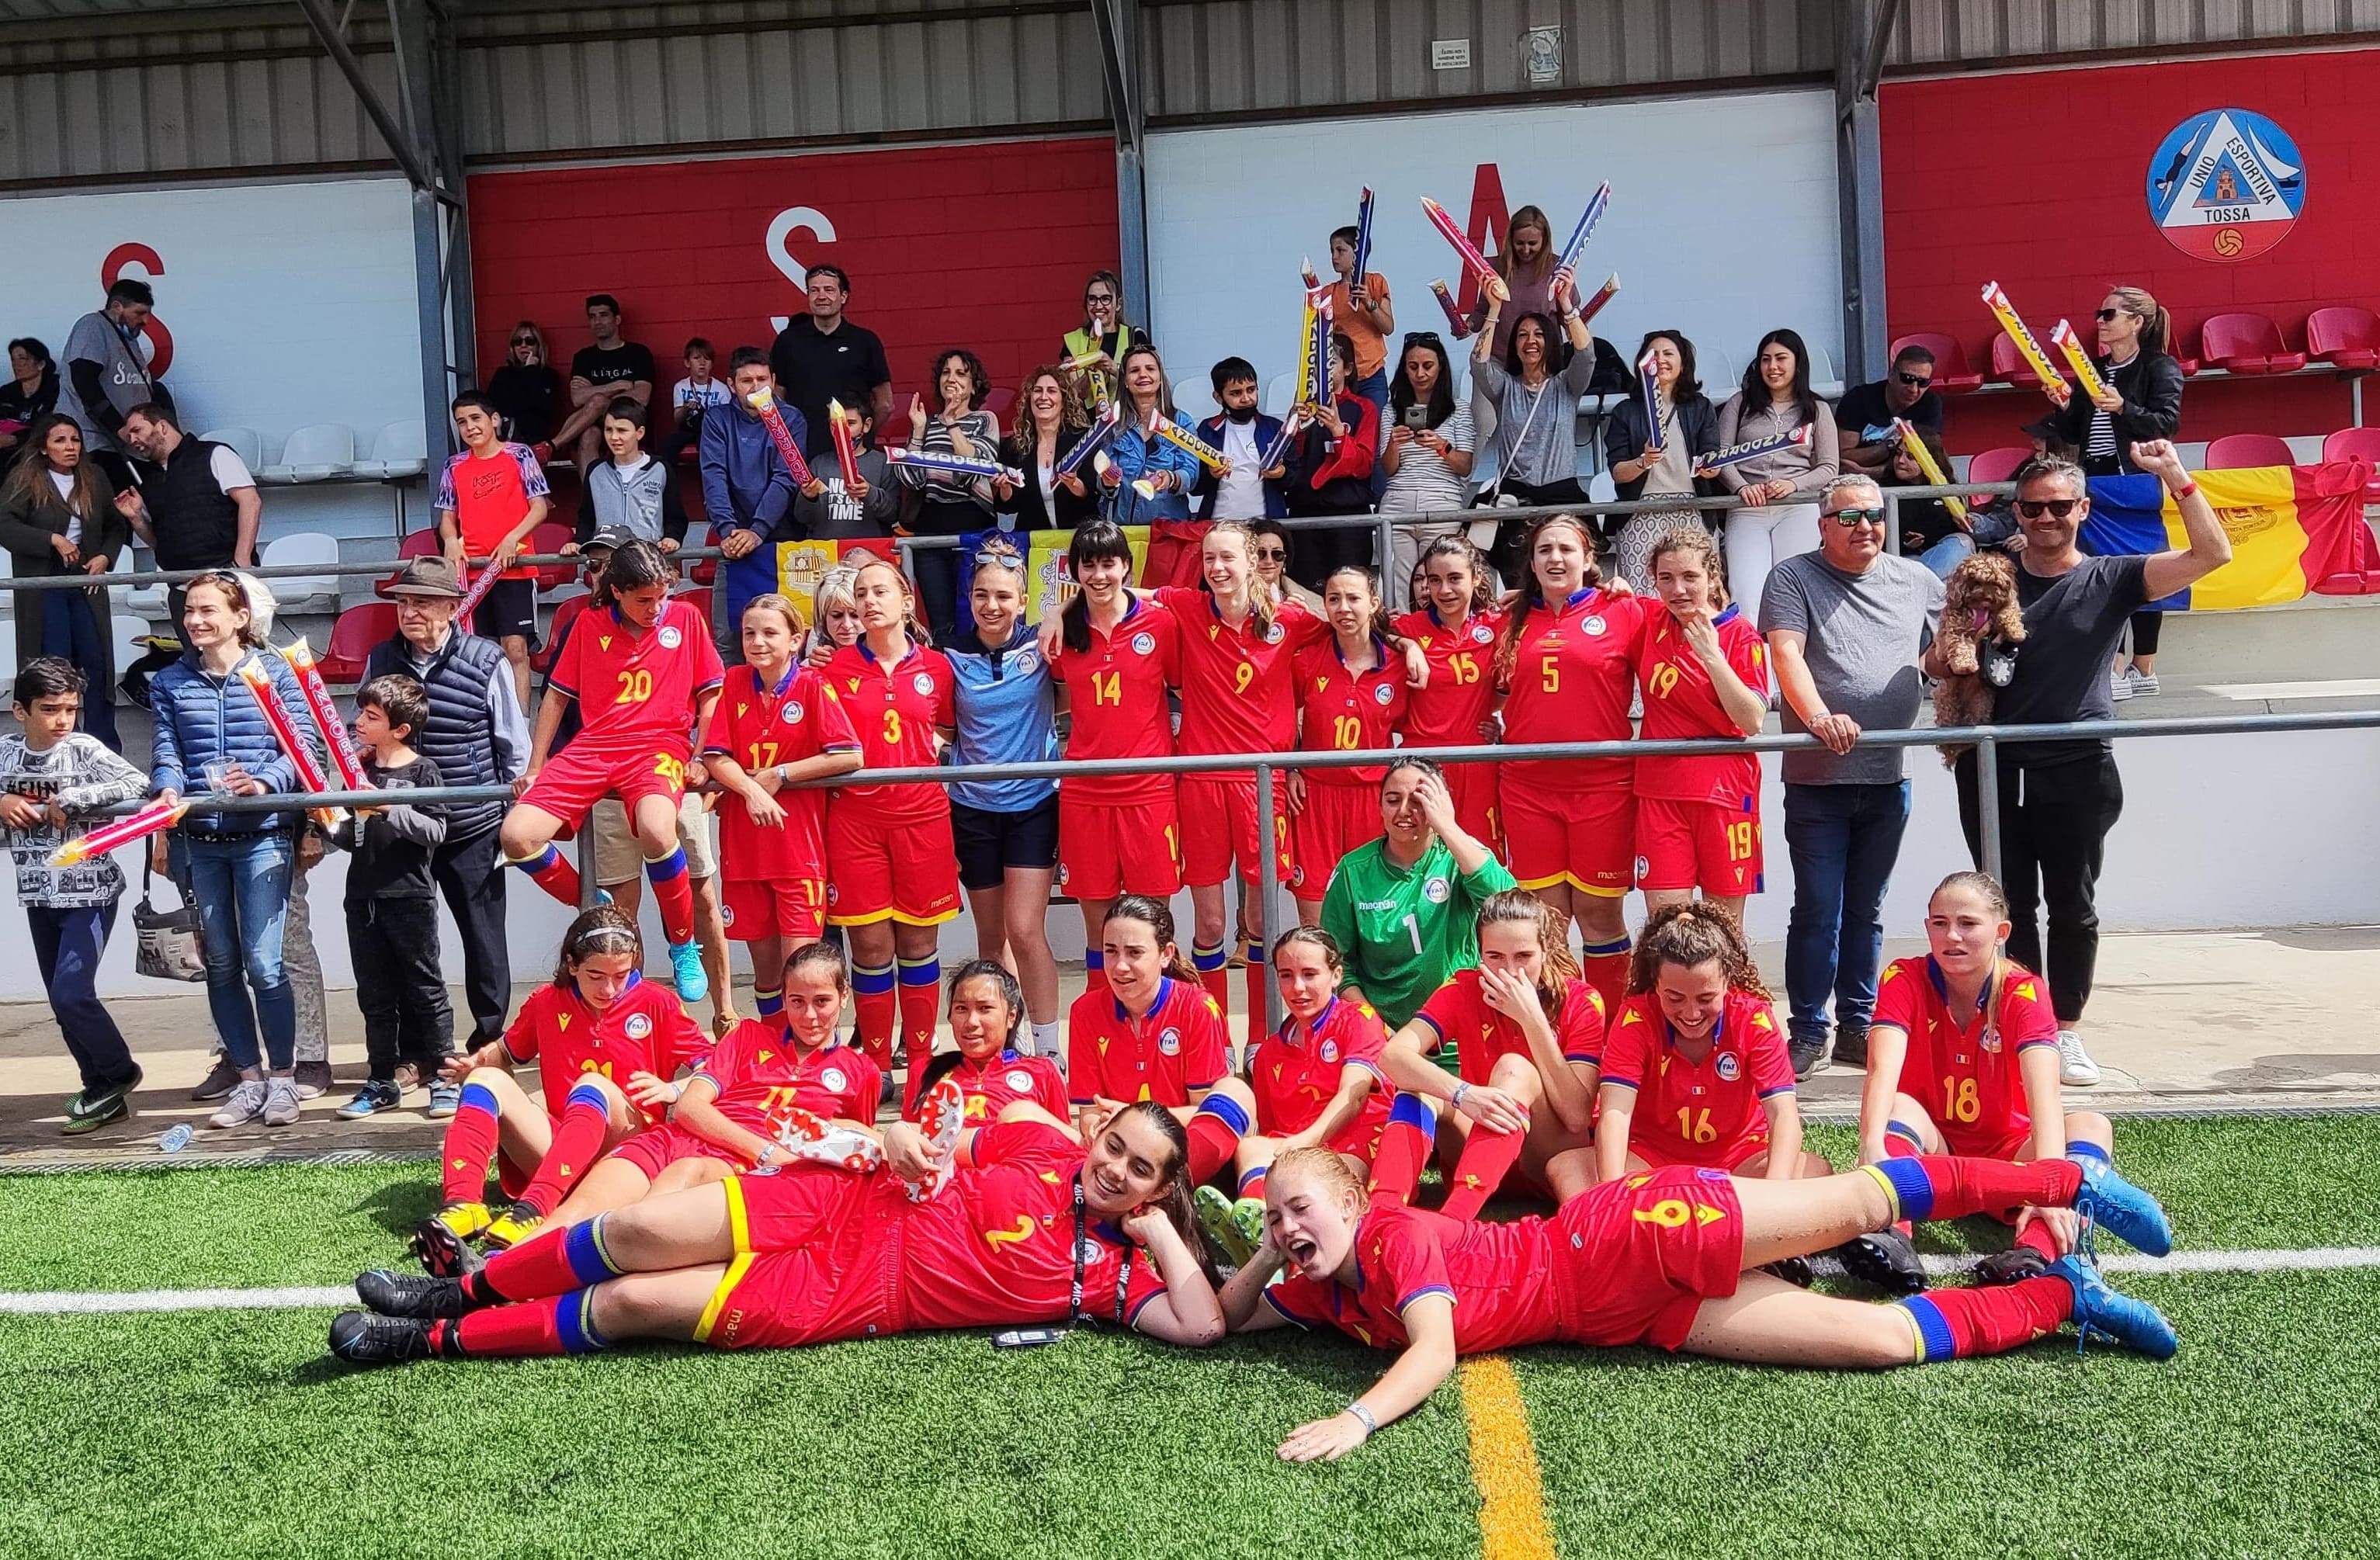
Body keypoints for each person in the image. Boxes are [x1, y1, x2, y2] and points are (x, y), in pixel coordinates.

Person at [1221, 1137, 2177, 1460]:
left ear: (1354, 1201)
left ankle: (2072, 1182)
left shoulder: (1390, 1235)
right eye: (1276, 1216)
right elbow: (1221, 1319)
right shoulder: (1322, 1287)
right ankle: (2063, 1298)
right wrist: (1269, 1253)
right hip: (1624, 1316)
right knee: (1883, 1343)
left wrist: (1355, 1419)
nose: (1290, 1226)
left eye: (1302, 1209)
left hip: (1629, 1233)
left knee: (1856, 1202)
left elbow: (1432, 1349)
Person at [332, 1098, 1226, 1364]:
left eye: (1140, 1170)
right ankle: (458, 1291)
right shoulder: (1040, 1142)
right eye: (1116, 1147)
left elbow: (1202, 1326)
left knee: (633, 1300)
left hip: (847, 1293)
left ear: (1158, 1189)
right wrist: (901, 1138)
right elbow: (927, 1140)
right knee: (635, 1227)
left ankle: (429, 1341)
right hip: (840, 1201)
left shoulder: (1109, 1279)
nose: (1116, 1169)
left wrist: (1156, 1234)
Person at [1924, 445, 2228, 1089]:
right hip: (1992, 764)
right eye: (2033, 508)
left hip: (2078, 763)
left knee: (2072, 904)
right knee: (2005, 905)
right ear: (2017, 512)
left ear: (2083, 509)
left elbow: (2213, 555)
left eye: (2060, 506)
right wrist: (1962, 645)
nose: (2046, 518)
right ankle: (2018, 1023)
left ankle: (2062, 1029)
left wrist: (2175, 477)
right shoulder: (1989, 574)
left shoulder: (2112, 576)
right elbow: (1933, 662)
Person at [1853, 872, 2123, 1292]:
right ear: (1927, 928)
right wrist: (1872, 1148)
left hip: (2010, 1163)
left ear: (2001, 932)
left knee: (2092, 1126)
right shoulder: (1903, 977)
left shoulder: (2024, 991)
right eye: (1940, 923)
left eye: (1968, 923)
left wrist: (2049, 1185)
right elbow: (1881, 1069)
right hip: (1934, 1158)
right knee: (1897, 1106)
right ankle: (1893, 1236)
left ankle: (2032, 1251)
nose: (1952, 936)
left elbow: (2045, 1095)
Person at [1760, 473, 1945, 1078]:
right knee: (1818, 908)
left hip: (1890, 775)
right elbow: (1785, 652)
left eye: (1874, 515)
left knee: (1868, 908)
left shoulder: (1916, 579)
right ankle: (1808, 1029)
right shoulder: (1792, 576)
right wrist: (1818, 717)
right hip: (1816, 779)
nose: (1864, 526)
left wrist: (1947, 660)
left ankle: (1858, 1027)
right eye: (1848, 517)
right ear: (1823, 526)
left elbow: (1948, 647)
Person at [415, 907, 710, 1265]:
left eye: (621, 975)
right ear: (572, 965)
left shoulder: (657, 1002)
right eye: (596, 976)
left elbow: (716, 1070)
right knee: (484, 1080)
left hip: (630, 1155)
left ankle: (535, 1210)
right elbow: (506, 1051)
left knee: (593, 1085)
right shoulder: (546, 1001)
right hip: (562, 1153)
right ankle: (463, 1204)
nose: (609, 989)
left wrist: (674, 1090)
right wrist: (477, 1062)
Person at [533, 939, 886, 1236]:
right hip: (670, 1142)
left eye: (821, 1001)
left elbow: (843, 1150)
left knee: (635, 1225)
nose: (809, 1016)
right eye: (797, 1001)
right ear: (784, 998)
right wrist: (764, 1150)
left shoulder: (861, 1072)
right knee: (570, 1216)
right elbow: (689, 1107)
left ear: (844, 996)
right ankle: (502, 1268)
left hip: (734, 1170)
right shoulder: (748, 1036)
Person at [501, 538, 724, 1001]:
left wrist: (701, 755)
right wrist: (536, 766)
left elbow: (711, 695)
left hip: (660, 744)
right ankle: (589, 900)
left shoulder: (686, 619)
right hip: (594, 746)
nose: (656, 608)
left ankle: (683, 944)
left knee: (658, 830)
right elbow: (556, 697)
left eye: (662, 596)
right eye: (644, 600)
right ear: (617, 592)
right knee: (516, 836)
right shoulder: (588, 623)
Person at [147, 573, 316, 1129]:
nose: (195, 620)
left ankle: (284, 1079)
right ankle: (247, 1080)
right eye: (189, 611)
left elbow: (304, 746)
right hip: (199, 841)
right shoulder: (170, 681)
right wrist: (166, 789)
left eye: (207, 610)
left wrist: (264, 783)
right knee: (220, 964)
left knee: (265, 964)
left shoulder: (277, 673)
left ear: (241, 618)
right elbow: (167, 752)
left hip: (264, 836)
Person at [1148, 522, 1320, 1042]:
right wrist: (1059, 614)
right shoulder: (1189, 607)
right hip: (1201, 782)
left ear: (1251, 562)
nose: (1217, 568)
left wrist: (1408, 646)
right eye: (1209, 559)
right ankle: (1214, 1039)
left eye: (1228, 558)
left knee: (1263, 923)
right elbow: (1117, 594)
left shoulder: (1289, 619)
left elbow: (1354, 618)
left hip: (1261, 786)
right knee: (1210, 925)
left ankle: (1261, 1040)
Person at [365, 556, 529, 1078]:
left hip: (471, 825)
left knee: (485, 942)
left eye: (422, 602)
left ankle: (488, 1046)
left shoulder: (487, 659)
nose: (409, 611)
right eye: (403, 602)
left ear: (453, 608)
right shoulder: (381, 657)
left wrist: (510, 816)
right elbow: (361, 732)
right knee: (408, 945)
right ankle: (419, 1052)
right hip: (401, 827)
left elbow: (514, 745)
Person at [1494, 513, 1646, 1011]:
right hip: (1528, 790)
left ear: (1589, 557)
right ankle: (1565, 1029)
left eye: (1566, 549)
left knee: (1600, 915)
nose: (1556, 558)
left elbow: (1688, 617)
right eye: (1545, 550)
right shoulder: (1509, 619)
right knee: (1547, 923)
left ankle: (1612, 1030)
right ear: (1532, 562)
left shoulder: (1624, 611)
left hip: (1604, 788)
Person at [821, 554, 959, 1094]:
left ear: (906, 600)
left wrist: (925, 751)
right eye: (861, 594)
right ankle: (876, 1068)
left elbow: (949, 728)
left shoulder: (938, 667)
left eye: (880, 591)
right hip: (856, 824)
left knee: (919, 946)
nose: (869, 601)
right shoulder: (831, 670)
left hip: (924, 821)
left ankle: (921, 1062)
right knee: (871, 949)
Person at [1378, 889, 1604, 1212]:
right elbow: (1392, 1056)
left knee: (1513, 1069)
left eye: (1523, 956)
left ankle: (1455, 1219)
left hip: (1547, 1156)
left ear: (1545, 950)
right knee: (1418, 1089)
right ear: (1480, 954)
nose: (1509, 971)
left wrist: (1532, 1021)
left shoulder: (1581, 1001)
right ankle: (1383, 1210)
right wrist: (1463, 1093)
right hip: (1479, 1145)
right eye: (1495, 957)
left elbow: (1577, 1116)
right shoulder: (1464, 988)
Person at [700, 594, 860, 1030]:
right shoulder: (734, 680)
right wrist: (752, 789)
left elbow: (849, 754)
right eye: (749, 633)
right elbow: (715, 756)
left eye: (770, 633)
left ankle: (813, 1057)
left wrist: (781, 774)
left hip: (798, 852)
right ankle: (775, 1053)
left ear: (796, 640)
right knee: (768, 974)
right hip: (745, 847)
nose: (757, 642)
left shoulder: (813, 685)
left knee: (803, 973)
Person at [0, 657, 147, 1134]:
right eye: (50, 710)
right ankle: (100, 1088)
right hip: (37, 894)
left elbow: (138, 783)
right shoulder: (6, 752)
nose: (63, 720)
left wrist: (76, 799)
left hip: (90, 891)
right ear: (20, 711)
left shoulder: (84, 749)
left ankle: (120, 1073)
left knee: (71, 993)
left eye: (70, 709)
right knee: (60, 1001)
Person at [1592, 903, 1823, 1191]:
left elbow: (1783, 1115)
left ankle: (1672, 1207)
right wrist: (1612, 1194)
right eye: (1674, 998)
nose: (1691, 1013)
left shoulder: (1753, 1018)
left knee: (1812, 1170)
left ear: (1728, 981)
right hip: (1651, 1161)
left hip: (1741, 1162)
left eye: (1706, 998)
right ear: (1656, 983)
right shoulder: (1635, 1018)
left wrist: (1774, 1195)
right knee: (1570, 1167)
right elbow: (1615, 1113)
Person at [1198, 927, 1390, 1263]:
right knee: (1252, 1146)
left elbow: (1355, 1095)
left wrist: (1304, 1142)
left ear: (1336, 976)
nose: (1297, 987)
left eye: (1310, 974)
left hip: (1355, 1145)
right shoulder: (1268, 1053)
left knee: (1318, 1182)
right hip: (1295, 1152)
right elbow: (1272, 1129)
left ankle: (1267, 1242)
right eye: (1286, 975)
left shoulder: (1358, 1019)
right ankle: (1255, 1222)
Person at [1046, 519, 1181, 984]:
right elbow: (1057, 697)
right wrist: (1056, 612)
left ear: (1126, 565)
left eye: (1109, 564)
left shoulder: (1160, 623)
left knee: (1153, 923)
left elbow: (1184, 692)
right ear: (1075, 571)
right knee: (1098, 927)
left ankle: (1164, 1015)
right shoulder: (1063, 630)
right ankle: (1103, 1017)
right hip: (1086, 793)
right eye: (1089, 566)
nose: (1099, 575)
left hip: (1149, 791)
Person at [944, 543, 1063, 1056]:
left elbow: (1102, 603)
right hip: (972, 808)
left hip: (1033, 805)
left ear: (1023, 601)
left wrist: (1058, 612)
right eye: (981, 595)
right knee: (991, 938)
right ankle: (1005, 1046)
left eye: (1003, 596)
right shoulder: (950, 654)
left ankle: (1050, 1049)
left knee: (1025, 929)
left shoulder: (1044, 643)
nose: (991, 606)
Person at [2046, 285, 2186, 702]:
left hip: (2137, 477)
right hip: (2097, 475)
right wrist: (2063, 404)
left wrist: (2124, 407)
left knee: (2145, 568)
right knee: (2103, 571)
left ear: (2136, 322)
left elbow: (2165, 424)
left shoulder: (2160, 367)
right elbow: (2074, 432)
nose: (2100, 322)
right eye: (2100, 314)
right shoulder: (2093, 368)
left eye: (2109, 315)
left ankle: (2143, 665)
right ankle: (2116, 663)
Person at [326, 675, 453, 1121]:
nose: (359, 722)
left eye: (371, 716)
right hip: (362, 898)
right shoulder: (359, 771)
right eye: (361, 713)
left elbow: (436, 830)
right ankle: (381, 1080)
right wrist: (326, 820)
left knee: (425, 988)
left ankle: (444, 1076)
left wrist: (387, 807)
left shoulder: (423, 771)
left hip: (410, 896)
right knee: (375, 995)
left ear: (400, 729)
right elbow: (353, 837)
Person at [1063, 894, 1257, 1186]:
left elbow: (1203, 1112)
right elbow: (1089, 1114)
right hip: (1119, 1154)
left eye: (1134, 953)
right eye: (1111, 951)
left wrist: (1131, 1118)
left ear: (1166, 954)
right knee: (1025, 1116)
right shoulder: (1085, 1012)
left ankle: (1165, 1189)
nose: (1120, 966)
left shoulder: (1197, 1007)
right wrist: (1098, 1127)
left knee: (1236, 1094)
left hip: (1184, 1151)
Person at [1633, 526, 1770, 924]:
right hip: (1660, 792)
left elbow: (1752, 719)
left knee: (1723, 929)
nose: (1678, 589)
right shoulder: (1650, 619)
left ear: (1712, 577)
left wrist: (1712, 656)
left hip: (1724, 794)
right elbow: (1595, 602)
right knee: (1666, 927)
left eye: (1689, 577)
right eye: (1666, 578)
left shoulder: (1739, 634)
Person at [1319, 759, 1514, 1036]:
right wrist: (1375, 1028)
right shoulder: (1353, 870)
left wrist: (1448, 827)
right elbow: (1336, 962)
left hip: (1459, 1033)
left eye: (1418, 801)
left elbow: (1509, 905)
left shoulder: (1460, 855)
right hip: (1381, 1035)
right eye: (1393, 800)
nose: (1403, 811)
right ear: (1380, 807)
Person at [0, 414, 128, 747]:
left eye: (75, 440)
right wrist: (52, 539)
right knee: (54, 664)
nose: (70, 447)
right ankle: (58, 744)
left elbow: (115, 525)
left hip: (86, 580)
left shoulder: (94, 477)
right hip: (44, 583)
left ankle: (101, 746)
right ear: (44, 447)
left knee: (96, 662)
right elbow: (5, 526)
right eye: (60, 440)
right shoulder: (25, 478)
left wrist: (105, 556)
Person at [1288, 565, 1405, 923]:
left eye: (1353, 598)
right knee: (1315, 917)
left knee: (1374, 914)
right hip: (1315, 797)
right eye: (1334, 599)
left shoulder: (1399, 664)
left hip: (1371, 797)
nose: (1343, 608)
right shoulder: (1308, 659)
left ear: (1373, 603)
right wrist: (1290, 766)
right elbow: (1279, 714)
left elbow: (1422, 726)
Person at [1470, 270, 1598, 583]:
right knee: (1520, 588)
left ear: (1550, 342)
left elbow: (1586, 355)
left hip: (1561, 498)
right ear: (1514, 345)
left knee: (1568, 585)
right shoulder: (1504, 387)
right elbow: (1479, 364)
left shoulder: (1566, 385)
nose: (1531, 341)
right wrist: (1494, 309)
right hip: (1516, 501)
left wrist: (1565, 304)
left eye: (1539, 334)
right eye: (1522, 335)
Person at [1713, 328, 1841, 627]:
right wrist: (1742, 487)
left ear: (1798, 363)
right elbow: (1721, 456)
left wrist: (1793, 485)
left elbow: (1829, 468)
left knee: (1793, 590)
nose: (1773, 367)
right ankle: (1754, 658)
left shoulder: (1817, 409)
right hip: (1747, 509)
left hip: (1797, 507)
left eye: (1781, 358)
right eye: (1766, 359)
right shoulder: (1739, 403)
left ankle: (1793, 657)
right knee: (1747, 594)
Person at [432, 390, 550, 711]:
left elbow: (539, 507)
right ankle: (488, 721)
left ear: (494, 420)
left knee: (516, 649)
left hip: (515, 567)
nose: (470, 427)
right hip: (473, 573)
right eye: (462, 422)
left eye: (476, 418)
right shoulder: (454, 465)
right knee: (479, 652)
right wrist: (451, 541)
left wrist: (513, 538)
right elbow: (447, 518)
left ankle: (521, 726)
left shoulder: (520, 455)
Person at [111, 402, 262, 646]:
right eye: (129, 436)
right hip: (181, 589)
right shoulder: (149, 479)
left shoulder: (214, 454)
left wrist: (241, 562)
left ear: (162, 427)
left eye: (137, 430)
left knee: (239, 657)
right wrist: (136, 517)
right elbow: (158, 541)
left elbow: (251, 501)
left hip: (226, 580)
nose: (133, 440)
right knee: (195, 661)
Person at [1391, 538, 1502, 847]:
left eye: (1455, 578)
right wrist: (1407, 645)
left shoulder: (1497, 625)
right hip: (1423, 763)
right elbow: (1364, 627)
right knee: (1423, 858)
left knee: (1479, 854)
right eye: (1435, 580)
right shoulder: (1407, 628)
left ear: (1476, 577)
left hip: (1477, 762)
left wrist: (1496, 715)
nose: (1444, 590)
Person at [1603, 329, 1722, 592]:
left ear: (1683, 363)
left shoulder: (1700, 407)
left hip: (1693, 509)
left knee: (1696, 592)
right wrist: (1643, 461)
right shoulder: (1626, 411)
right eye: (1653, 354)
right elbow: (1618, 472)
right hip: (1641, 513)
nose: (1661, 359)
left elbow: (1713, 461)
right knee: (1643, 595)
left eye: (1668, 353)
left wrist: (1709, 467)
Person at [700, 347, 799, 664]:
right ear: (731, 384)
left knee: (786, 639)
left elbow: (786, 478)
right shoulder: (717, 419)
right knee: (728, 641)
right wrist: (729, 530)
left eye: (762, 379)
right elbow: (714, 476)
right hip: (733, 543)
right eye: (746, 381)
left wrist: (758, 530)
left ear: (773, 381)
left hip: (782, 541)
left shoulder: (791, 418)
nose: (756, 387)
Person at [891, 348, 1001, 633]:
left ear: (974, 386)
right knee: (941, 625)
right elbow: (910, 479)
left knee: (974, 619)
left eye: (961, 373)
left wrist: (952, 423)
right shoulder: (926, 424)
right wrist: (918, 431)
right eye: (946, 373)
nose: (951, 379)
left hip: (973, 529)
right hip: (930, 533)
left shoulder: (985, 419)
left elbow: (975, 469)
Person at [907, 959, 1069, 1125]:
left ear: (1011, 1016)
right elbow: (909, 1136)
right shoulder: (925, 1071)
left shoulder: (1043, 1073)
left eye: (985, 1008)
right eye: (961, 1009)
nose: (971, 1022)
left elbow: (1061, 1139)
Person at [1379, 333, 1476, 595]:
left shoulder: (1459, 409)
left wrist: (1442, 447)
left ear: (1440, 367)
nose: (1420, 374)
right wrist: (1394, 444)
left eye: (1427, 366)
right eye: (1413, 366)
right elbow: (1388, 469)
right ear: (1404, 369)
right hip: (1398, 501)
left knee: (1439, 579)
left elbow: (1465, 466)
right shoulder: (1391, 410)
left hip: (1442, 500)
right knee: (1400, 585)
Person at [1282, 334, 1380, 585]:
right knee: (1307, 592)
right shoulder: (1303, 409)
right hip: (1305, 515)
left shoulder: (1364, 408)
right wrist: (1295, 427)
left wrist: (1338, 430)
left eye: (1330, 362)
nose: (1322, 370)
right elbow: (1290, 464)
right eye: (1316, 364)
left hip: (1348, 515)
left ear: (1348, 369)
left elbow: (1363, 465)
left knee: (1350, 589)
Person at [768, 263, 892, 457]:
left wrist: (863, 438)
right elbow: (777, 399)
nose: (821, 296)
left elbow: (885, 404)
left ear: (843, 296)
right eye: (814, 290)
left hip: (854, 456)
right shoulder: (787, 341)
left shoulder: (865, 342)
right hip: (803, 453)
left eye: (829, 290)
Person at [54, 277, 158, 484]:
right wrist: (118, 427)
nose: (145, 321)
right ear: (117, 307)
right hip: (100, 443)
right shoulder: (93, 326)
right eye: (139, 313)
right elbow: (84, 381)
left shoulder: (129, 340)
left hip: (127, 445)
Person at [1185, 358, 1289, 554]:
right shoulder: (1208, 430)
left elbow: (1296, 480)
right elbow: (1194, 487)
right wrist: (1211, 475)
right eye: (1236, 393)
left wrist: (1282, 473)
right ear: (1218, 397)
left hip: (1266, 529)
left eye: (1251, 390)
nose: (1246, 398)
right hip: (1219, 529)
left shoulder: (1275, 428)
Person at [1098, 342, 1203, 536]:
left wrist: (1170, 478)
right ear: (1125, 381)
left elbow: (1191, 474)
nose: (1143, 375)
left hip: (1169, 532)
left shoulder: (1181, 421)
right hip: (1123, 531)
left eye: (1150, 369)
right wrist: (1107, 481)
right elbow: (1102, 482)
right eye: (1134, 371)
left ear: (1160, 378)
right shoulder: (1113, 424)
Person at [549, 294, 656, 475]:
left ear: (617, 319)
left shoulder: (638, 353)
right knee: (589, 434)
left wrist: (596, 396)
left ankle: (552, 446)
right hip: (595, 422)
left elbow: (642, 397)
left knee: (597, 400)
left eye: (604, 315)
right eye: (592, 317)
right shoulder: (584, 358)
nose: (597, 321)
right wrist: (618, 385)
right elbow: (577, 398)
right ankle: (591, 492)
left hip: (629, 418)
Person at [577, 398, 688, 551]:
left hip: (647, 555)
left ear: (639, 433)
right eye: (609, 430)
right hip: (606, 556)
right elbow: (586, 518)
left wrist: (672, 537)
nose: (614, 437)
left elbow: (676, 518)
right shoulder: (596, 471)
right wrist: (578, 541)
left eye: (622, 430)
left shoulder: (660, 469)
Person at [994, 366, 1096, 533]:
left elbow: (1093, 497)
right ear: (1029, 399)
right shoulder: (1014, 446)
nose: (1043, 397)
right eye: (1038, 391)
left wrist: (1074, 484)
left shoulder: (1083, 440)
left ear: (1064, 400)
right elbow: (1009, 508)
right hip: (1035, 542)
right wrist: (1005, 488)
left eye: (1051, 391)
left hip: (1080, 538)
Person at [1326, 224, 1395, 442]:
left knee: (1376, 434)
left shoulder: (1375, 282)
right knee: (1345, 433)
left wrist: (1369, 302)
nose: (1334, 257)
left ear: (1358, 253)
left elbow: (1388, 327)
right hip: (1343, 376)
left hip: (1372, 374)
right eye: (1332, 251)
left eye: (1341, 250)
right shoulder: (1328, 292)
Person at [1835, 341, 1944, 480]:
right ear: (1891, 376)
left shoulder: (1930, 403)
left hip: (1908, 482)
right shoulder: (1858, 399)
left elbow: (1926, 462)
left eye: (1923, 382)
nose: (1914, 389)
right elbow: (1842, 457)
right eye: (1907, 379)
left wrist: (1868, 471)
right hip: (1857, 482)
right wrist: (1889, 446)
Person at [796, 396, 897, 539]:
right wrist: (808, 498)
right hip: (827, 548)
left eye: (850, 424)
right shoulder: (819, 464)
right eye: (835, 425)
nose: (842, 431)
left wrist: (870, 493)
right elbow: (802, 518)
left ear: (867, 425)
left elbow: (893, 515)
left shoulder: (882, 463)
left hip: (868, 549)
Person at [1466, 204, 1557, 359]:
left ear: (1545, 240)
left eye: (1532, 243)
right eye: (1520, 243)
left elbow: (1570, 312)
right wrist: (1467, 326)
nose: (1526, 250)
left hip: (1543, 359)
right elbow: (1482, 311)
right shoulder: (1496, 268)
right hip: (1502, 359)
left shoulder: (1556, 268)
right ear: (1510, 240)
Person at [1061, 269, 1145, 396]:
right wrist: (1089, 376)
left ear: (1118, 304)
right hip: (1087, 410)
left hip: (1125, 408)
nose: (1098, 306)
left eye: (1106, 299)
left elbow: (1146, 382)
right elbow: (1069, 395)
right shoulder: (1073, 340)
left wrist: (1113, 368)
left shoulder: (1135, 337)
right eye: (1092, 299)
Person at [485, 321, 564, 453]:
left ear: (539, 346)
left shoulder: (549, 375)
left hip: (535, 443)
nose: (523, 345)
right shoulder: (503, 374)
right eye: (518, 342)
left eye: (530, 341)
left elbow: (544, 409)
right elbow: (499, 407)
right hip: (505, 442)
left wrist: (530, 370)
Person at [661, 336, 731, 467]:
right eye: (697, 358)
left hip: (712, 430)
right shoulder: (680, 386)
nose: (702, 362)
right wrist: (686, 409)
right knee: (668, 444)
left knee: (708, 444)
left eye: (707, 359)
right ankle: (670, 479)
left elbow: (727, 419)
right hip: (688, 428)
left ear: (712, 364)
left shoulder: (722, 388)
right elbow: (677, 419)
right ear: (687, 363)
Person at [0, 336, 60, 460]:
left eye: (22, 358)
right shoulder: (5, 393)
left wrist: (16, 439)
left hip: (41, 454)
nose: (16, 365)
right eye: (13, 359)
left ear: (41, 364)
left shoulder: (56, 389)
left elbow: (53, 427)